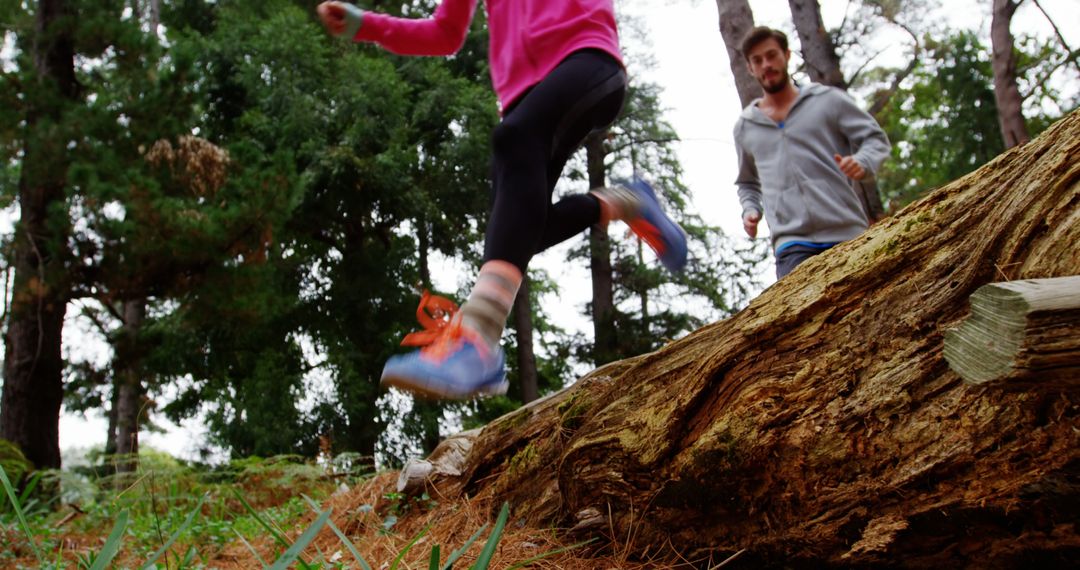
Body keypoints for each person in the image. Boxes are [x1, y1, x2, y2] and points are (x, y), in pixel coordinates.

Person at [316, 0, 687, 400]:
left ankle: (477, 338)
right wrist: (364, 24)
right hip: (521, 104)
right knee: (523, 230)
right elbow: (445, 33)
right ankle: (627, 202)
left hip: (587, 59)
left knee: (514, 148)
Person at [732, 26, 891, 279]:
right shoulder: (745, 127)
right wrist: (750, 210)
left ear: (786, 55)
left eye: (772, 55)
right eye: (757, 60)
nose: (766, 65)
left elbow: (874, 139)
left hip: (847, 232)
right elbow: (747, 183)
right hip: (792, 246)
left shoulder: (828, 101)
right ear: (750, 68)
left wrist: (863, 161)